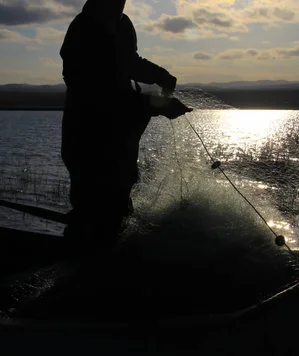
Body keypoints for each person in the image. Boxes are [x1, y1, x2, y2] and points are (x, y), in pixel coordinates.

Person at [59, 0, 192, 252]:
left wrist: (160, 75)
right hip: (87, 142)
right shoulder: (82, 29)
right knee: (91, 210)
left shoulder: (123, 24)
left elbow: (129, 62)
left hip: (120, 145)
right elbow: (96, 90)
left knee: (119, 208)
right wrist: (155, 106)